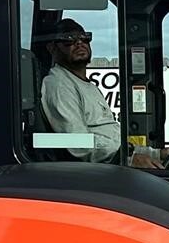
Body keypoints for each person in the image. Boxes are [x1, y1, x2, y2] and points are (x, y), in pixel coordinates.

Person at [39, 18, 156, 167]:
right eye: (69, 39)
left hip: (116, 160)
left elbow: (111, 137)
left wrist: (154, 153)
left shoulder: (86, 85)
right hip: (99, 170)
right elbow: (77, 143)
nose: (79, 43)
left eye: (84, 37)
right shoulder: (58, 85)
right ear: (51, 48)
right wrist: (129, 159)